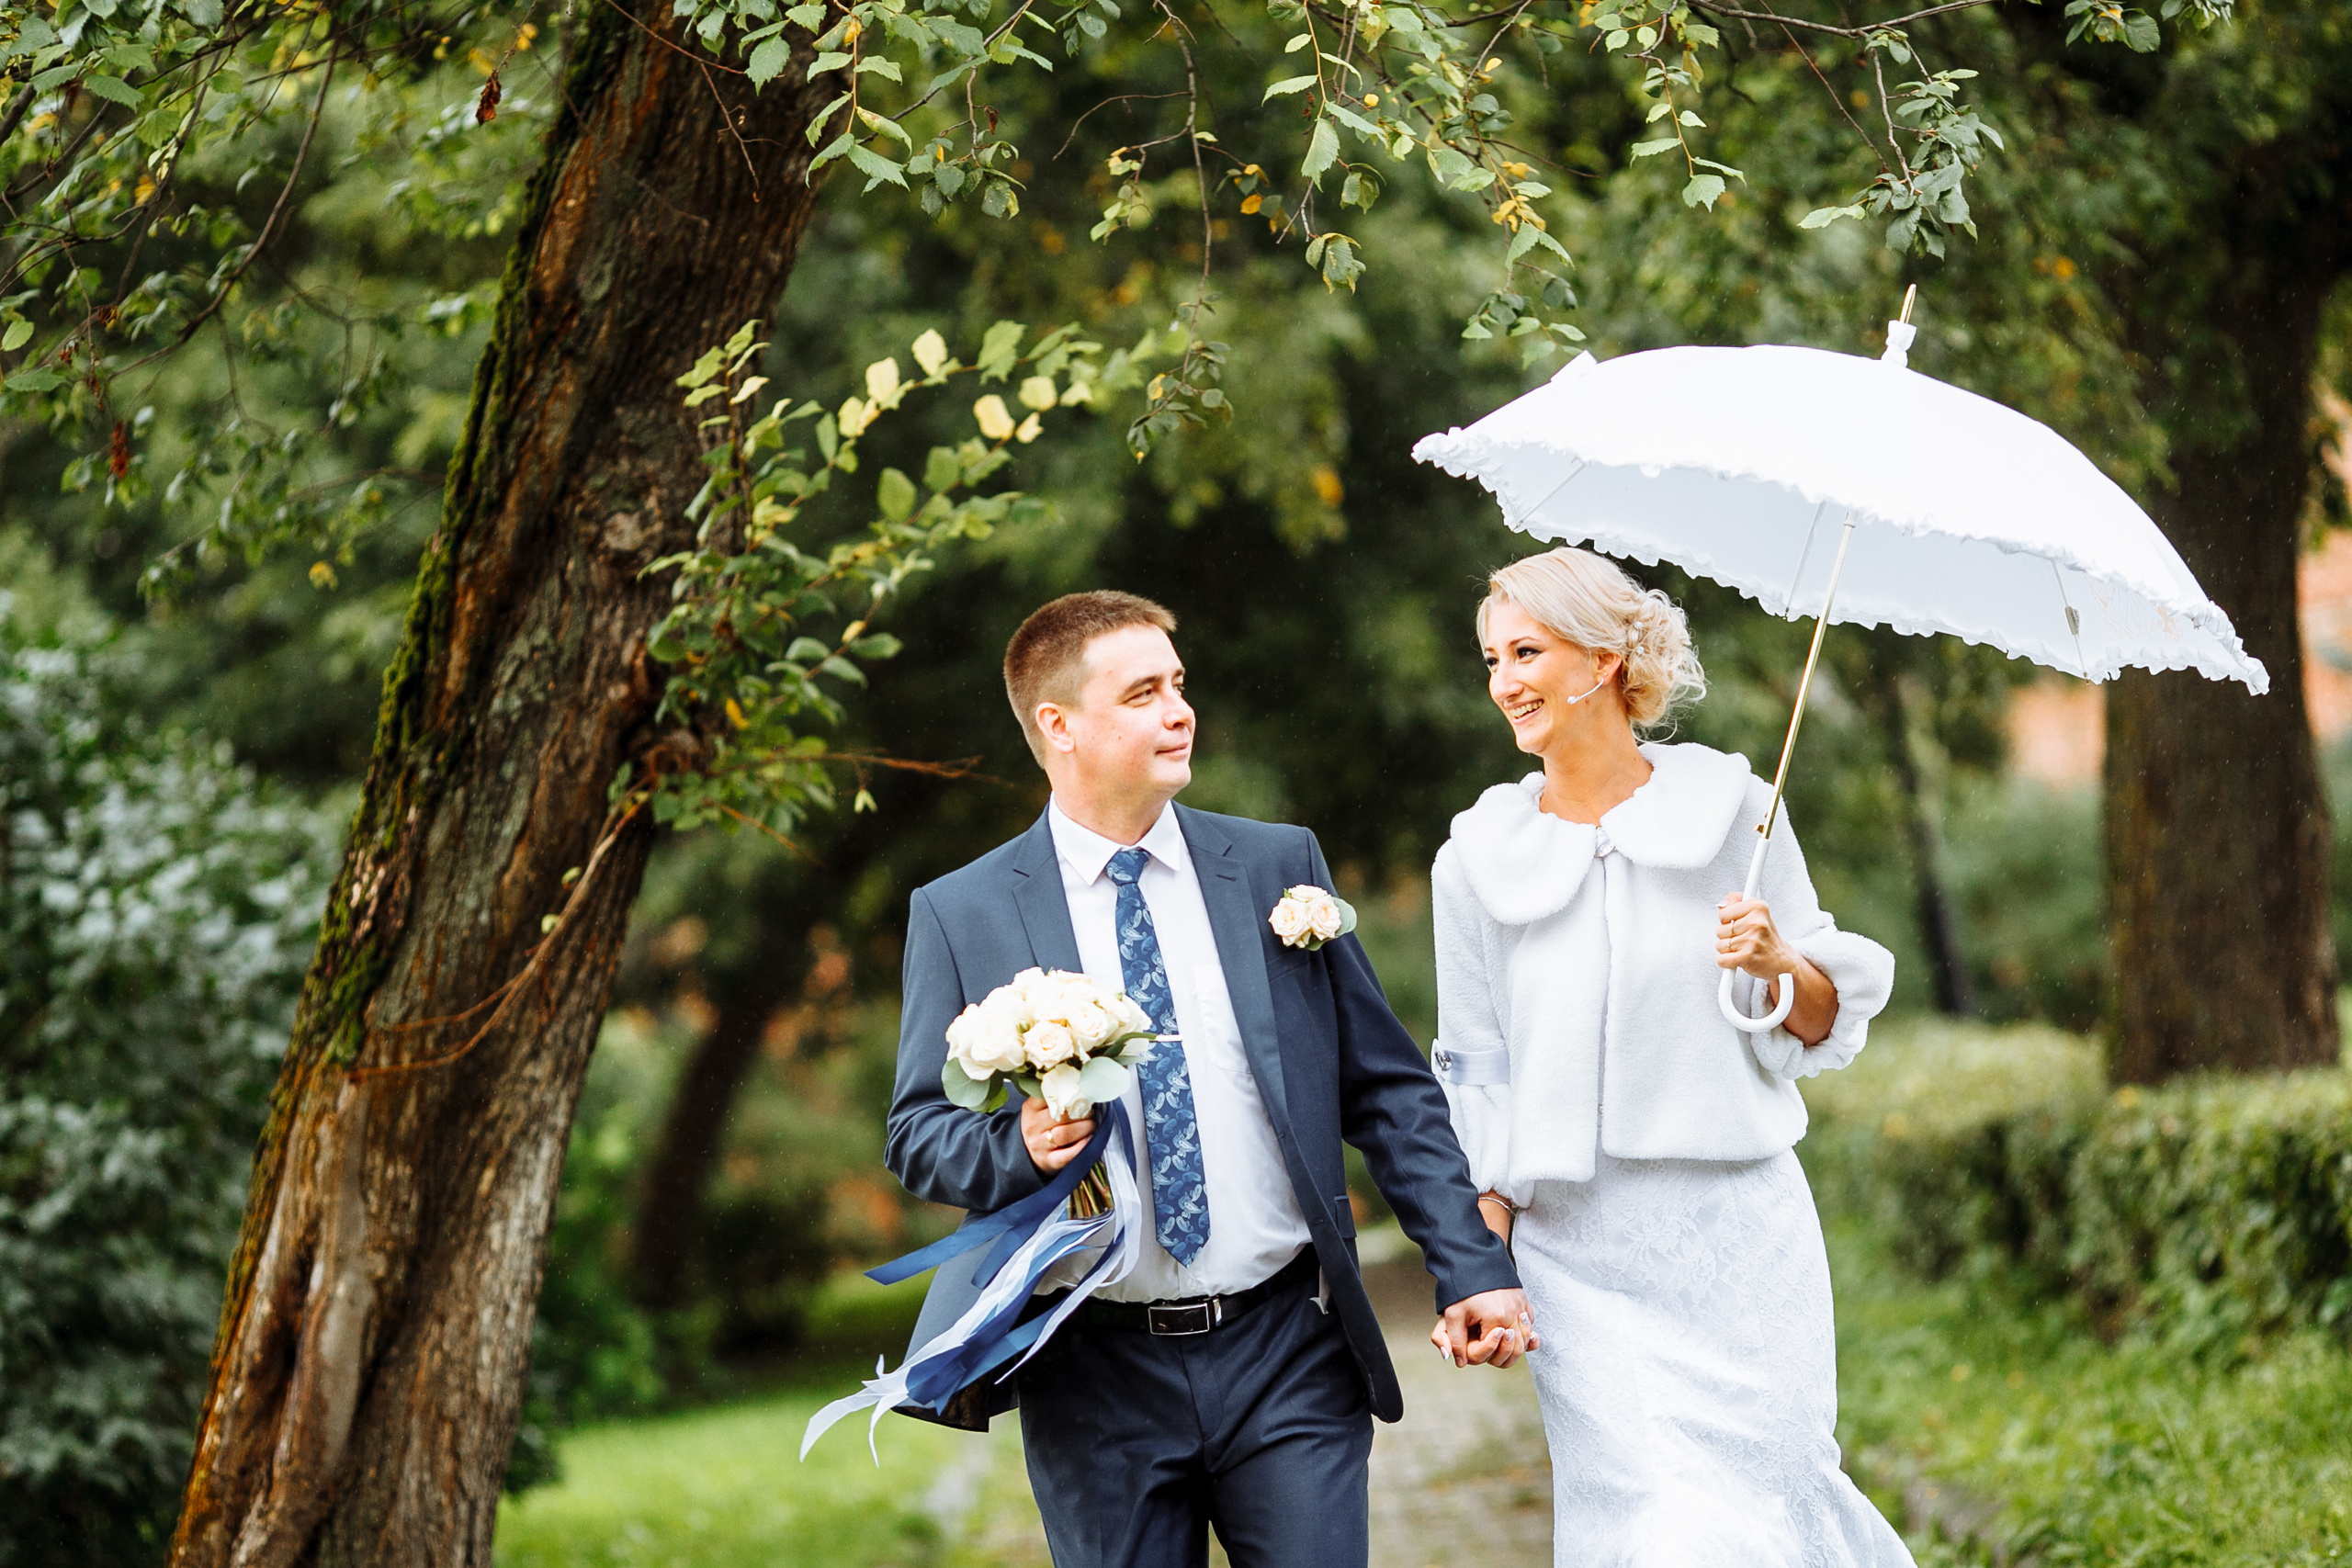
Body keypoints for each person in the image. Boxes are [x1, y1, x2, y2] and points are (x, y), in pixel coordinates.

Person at [884, 591, 1532, 1568]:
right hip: (1091, 1368)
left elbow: (1388, 1093)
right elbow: (916, 1133)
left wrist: (1470, 1266)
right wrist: (1012, 1144)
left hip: (1286, 1345)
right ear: (1057, 726)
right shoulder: (961, 911)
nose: (1179, 710)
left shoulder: (1277, 867)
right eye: (1143, 692)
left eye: (1177, 686)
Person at [1427, 547, 1913, 1566]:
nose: (1503, 681)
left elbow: (1815, 1026)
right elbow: (1478, 1068)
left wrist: (1781, 958)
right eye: (1490, 659)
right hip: (1578, 1251)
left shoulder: (1740, 814)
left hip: (1738, 1233)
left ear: (1602, 660)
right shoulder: (1474, 860)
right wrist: (1477, 1261)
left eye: (1525, 650)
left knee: (1777, 1485)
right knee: (1647, 1516)